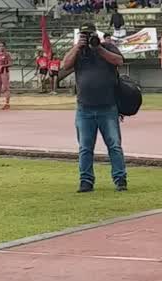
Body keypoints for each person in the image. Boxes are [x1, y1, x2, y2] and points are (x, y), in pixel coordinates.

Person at [62, 22, 127, 193]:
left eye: (89, 34)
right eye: (83, 35)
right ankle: (86, 181)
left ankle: (120, 179)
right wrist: (77, 47)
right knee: (85, 147)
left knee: (114, 145)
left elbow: (119, 61)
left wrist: (98, 48)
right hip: (85, 108)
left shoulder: (107, 47)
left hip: (108, 107)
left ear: (96, 34)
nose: (87, 37)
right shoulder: (78, 52)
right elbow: (65, 65)